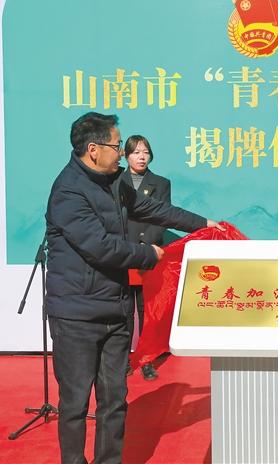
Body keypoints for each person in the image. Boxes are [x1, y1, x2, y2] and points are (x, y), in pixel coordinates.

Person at [45, 112, 221, 464]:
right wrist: (148, 255)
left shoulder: (116, 182)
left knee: (114, 401)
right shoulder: (68, 191)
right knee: (75, 403)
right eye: (117, 146)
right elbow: (99, 247)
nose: (123, 154)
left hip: (116, 310)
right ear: (93, 149)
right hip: (77, 316)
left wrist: (203, 225)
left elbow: (152, 208)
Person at [121, 134, 169, 381]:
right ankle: (124, 360)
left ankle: (147, 359)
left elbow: (162, 218)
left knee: (146, 310)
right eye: (136, 152)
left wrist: (145, 247)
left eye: (145, 152)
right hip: (122, 254)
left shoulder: (161, 183)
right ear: (126, 155)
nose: (141, 157)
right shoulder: (115, 181)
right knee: (124, 310)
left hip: (148, 254)